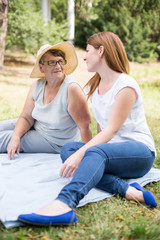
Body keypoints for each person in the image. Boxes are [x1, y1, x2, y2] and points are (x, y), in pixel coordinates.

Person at [18, 31, 157, 226]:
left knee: (88, 153)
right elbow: (100, 131)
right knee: (69, 150)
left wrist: (85, 153)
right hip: (112, 153)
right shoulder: (96, 86)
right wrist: (82, 154)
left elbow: (110, 131)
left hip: (140, 153)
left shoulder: (126, 85)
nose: (84, 56)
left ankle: (64, 204)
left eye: (88, 50)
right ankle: (129, 191)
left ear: (101, 51)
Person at [0, 42, 92, 159]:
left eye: (60, 61)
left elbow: (85, 126)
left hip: (55, 141)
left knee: (3, 139)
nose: (58, 66)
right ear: (41, 67)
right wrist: (16, 136)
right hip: (38, 124)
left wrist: (88, 156)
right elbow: (26, 117)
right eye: (52, 62)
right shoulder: (37, 85)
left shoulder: (71, 89)